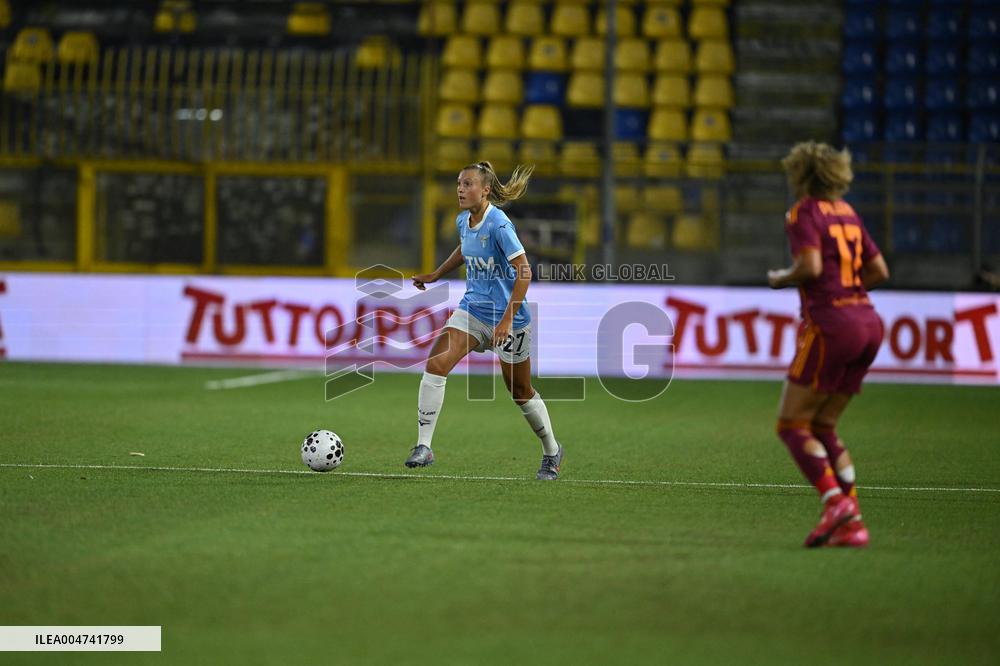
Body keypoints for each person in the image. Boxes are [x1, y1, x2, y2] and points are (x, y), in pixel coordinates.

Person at [405, 161, 563, 480]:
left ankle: (552, 450)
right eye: (458, 184)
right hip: (473, 311)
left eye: (468, 184)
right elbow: (465, 249)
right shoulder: (463, 220)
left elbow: (525, 272)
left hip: (510, 320)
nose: (460, 190)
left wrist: (506, 321)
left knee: (520, 391)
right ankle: (423, 446)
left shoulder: (500, 225)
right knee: (436, 365)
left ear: (485, 190)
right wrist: (436, 274)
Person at [767, 141, 890, 548]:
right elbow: (879, 270)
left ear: (800, 174)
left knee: (791, 424)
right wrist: (848, 293)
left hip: (832, 326)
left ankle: (836, 503)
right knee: (823, 426)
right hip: (869, 323)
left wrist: (781, 278)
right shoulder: (848, 212)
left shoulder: (803, 212)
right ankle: (854, 525)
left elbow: (811, 266)